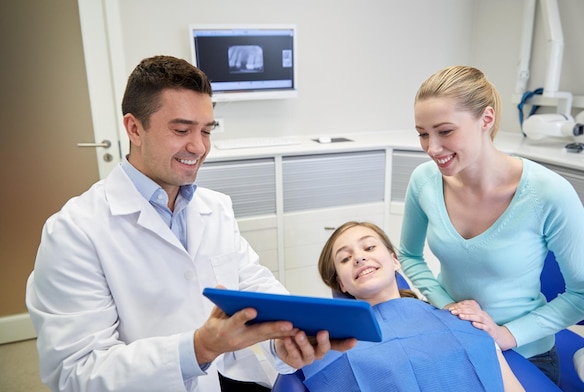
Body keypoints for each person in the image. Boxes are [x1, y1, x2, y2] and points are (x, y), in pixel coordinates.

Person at [25, 55, 355, 392]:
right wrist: (199, 348)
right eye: (181, 130)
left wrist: (285, 338)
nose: (198, 147)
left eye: (206, 131)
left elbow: (255, 284)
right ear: (134, 128)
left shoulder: (215, 208)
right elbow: (76, 373)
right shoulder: (73, 232)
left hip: (234, 378)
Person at [398, 65, 584, 384]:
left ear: (487, 119)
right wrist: (449, 305)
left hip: (524, 352)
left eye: (445, 131)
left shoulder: (549, 193)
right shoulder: (423, 181)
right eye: (423, 134)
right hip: (454, 337)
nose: (432, 148)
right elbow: (409, 256)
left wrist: (506, 334)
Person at [301, 221, 525, 391]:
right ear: (342, 284)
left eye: (369, 248)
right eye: (345, 258)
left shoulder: (459, 319)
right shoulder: (332, 347)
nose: (359, 258)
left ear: (395, 260)